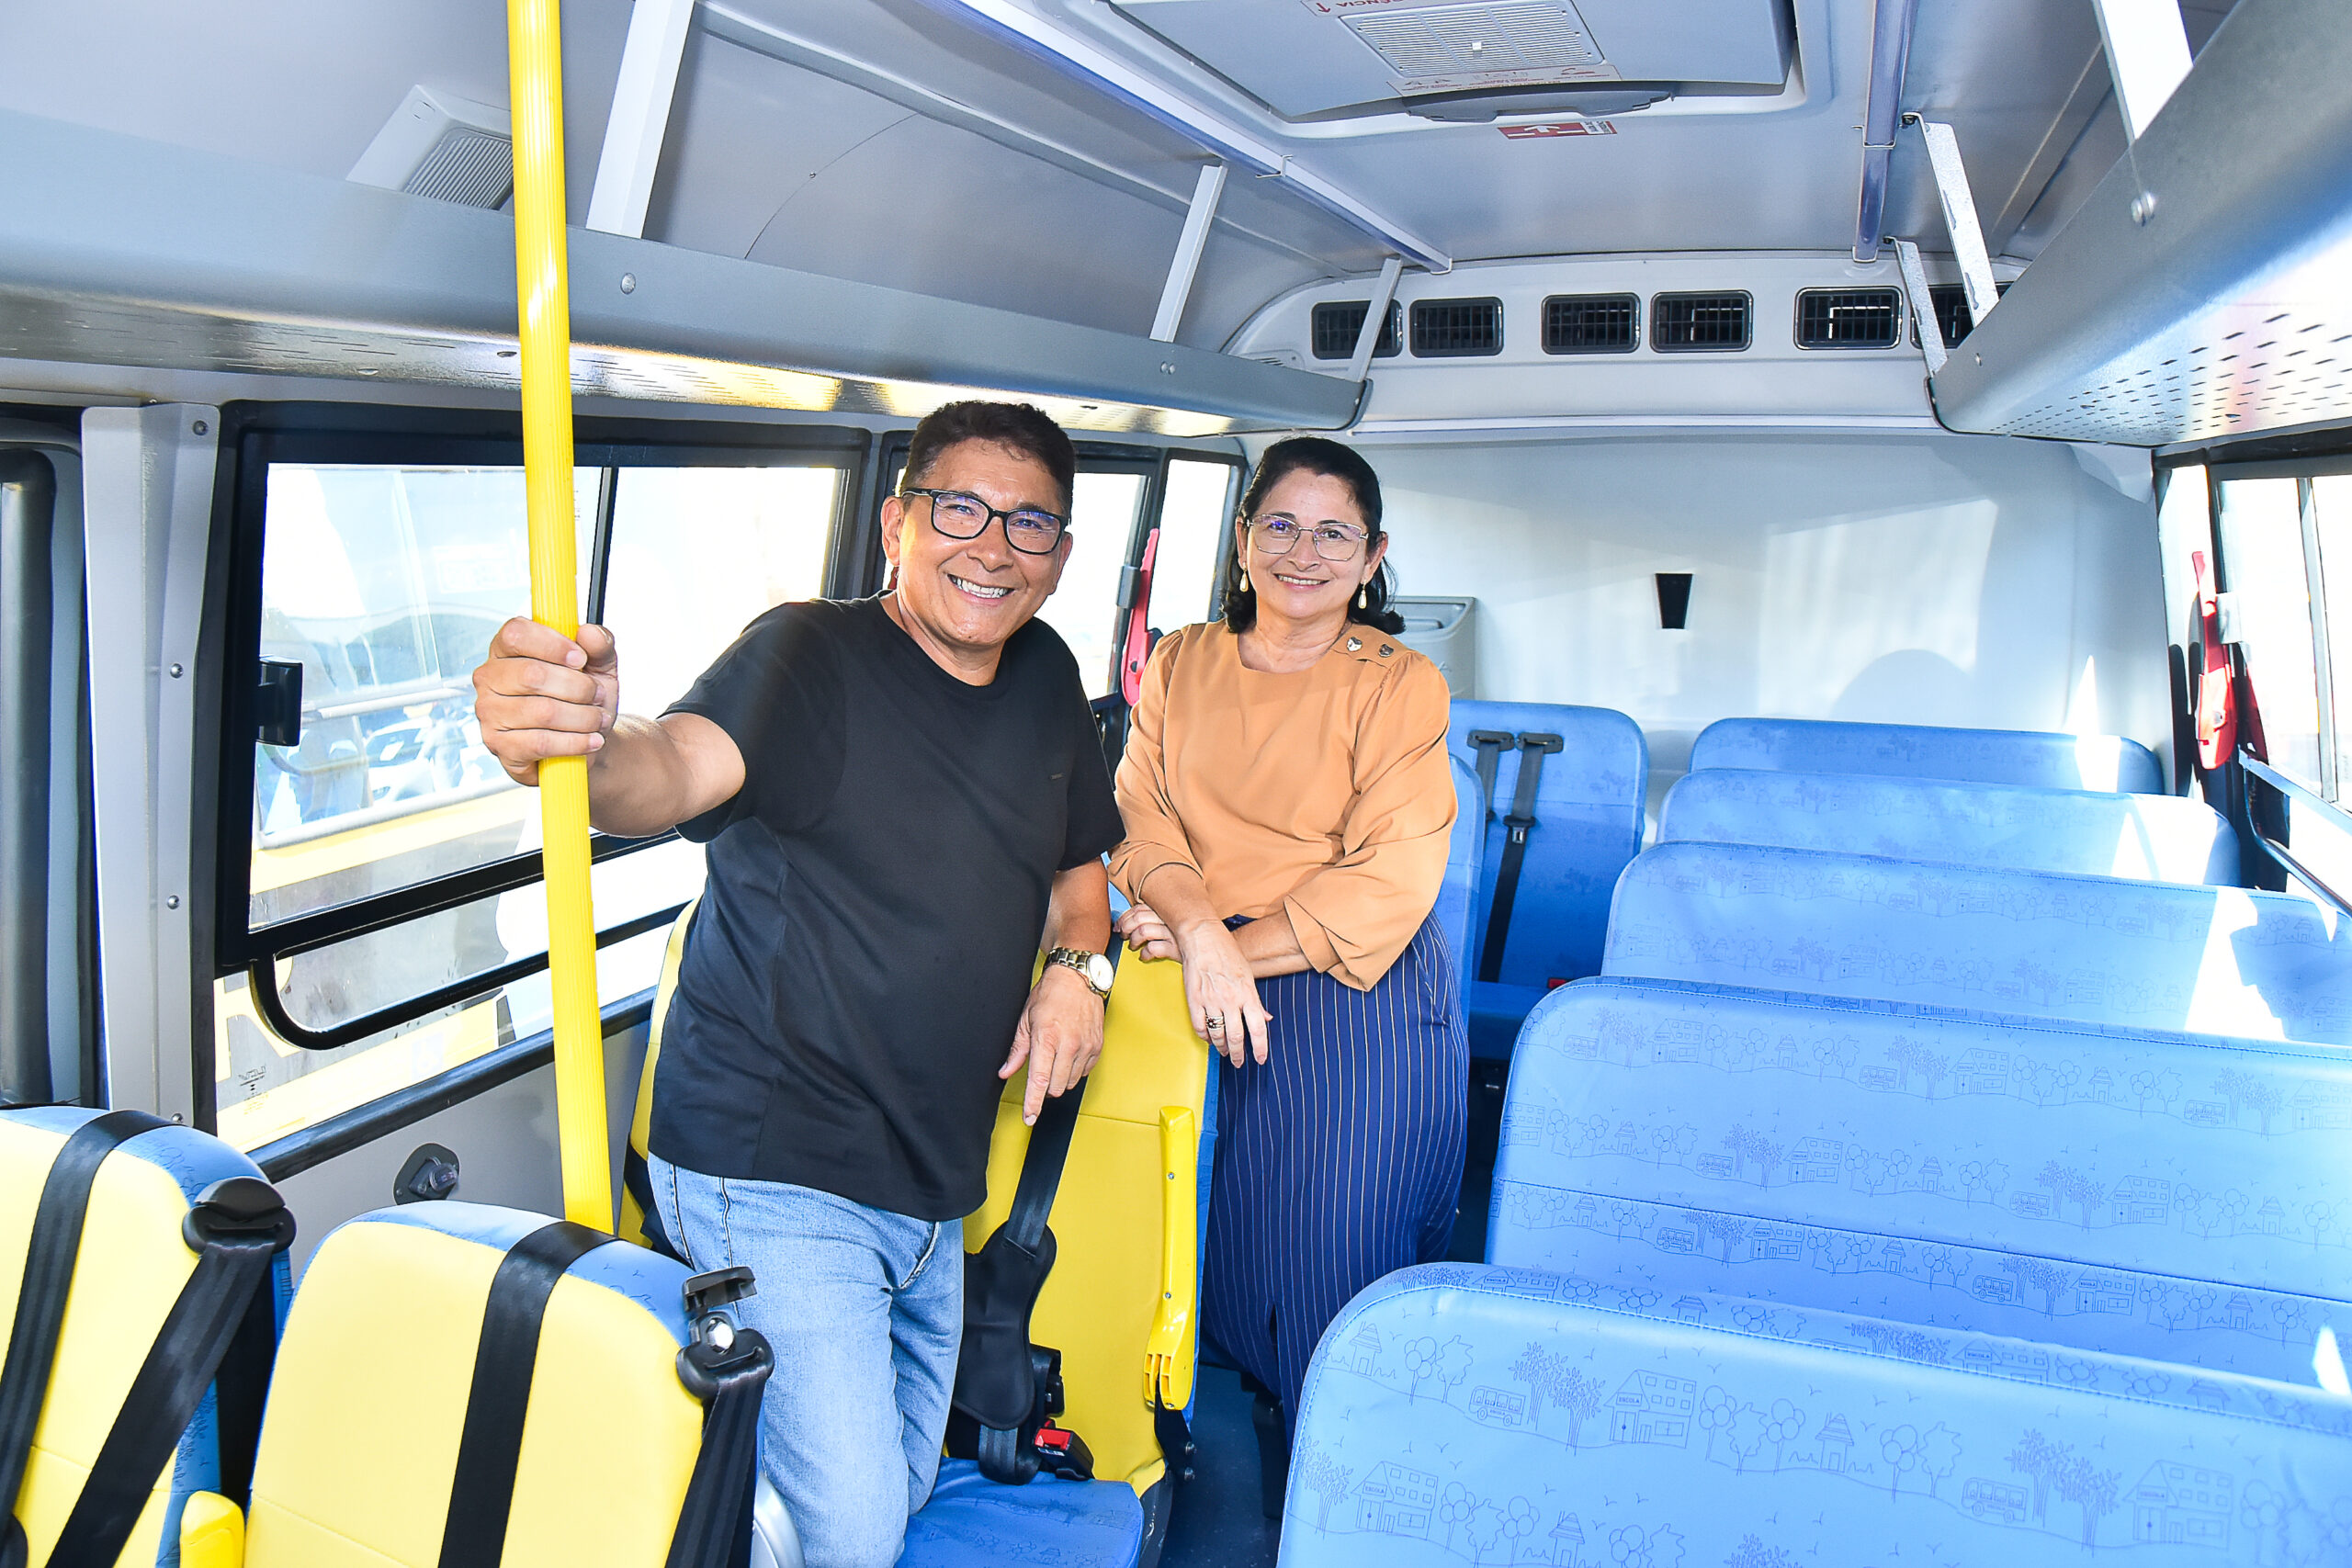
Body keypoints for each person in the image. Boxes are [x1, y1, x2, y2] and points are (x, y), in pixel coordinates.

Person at [470, 401, 1123, 1568]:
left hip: (935, 1184)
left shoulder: (1046, 674)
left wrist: (1079, 972)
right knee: (849, 1538)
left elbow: (1080, 876)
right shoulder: (807, 656)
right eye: (959, 510)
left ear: (1062, 554)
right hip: (774, 1168)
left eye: (1028, 524)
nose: (992, 547)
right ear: (896, 524)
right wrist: (579, 742)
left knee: (898, 1493)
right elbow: (668, 769)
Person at [1107, 436, 1466, 1452]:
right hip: (1189, 953)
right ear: (1241, 539)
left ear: (1372, 556)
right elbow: (1141, 817)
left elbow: (1389, 876)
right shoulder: (1180, 660)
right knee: (1175, 1211)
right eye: (1281, 526)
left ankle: (1344, 1457)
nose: (1303, 554)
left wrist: (1222, 949)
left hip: (1348, 975)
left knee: (1329, 1234)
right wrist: (1196, 932)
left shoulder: (1401, 683)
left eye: (1334, 535)